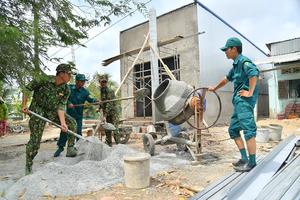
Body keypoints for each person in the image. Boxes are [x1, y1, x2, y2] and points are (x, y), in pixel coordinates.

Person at [209, 37, 259, 172]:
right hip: (238, 102)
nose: (225, 52)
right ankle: (244, 158)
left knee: (249, 131)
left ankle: (252, 162)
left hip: (244, 102)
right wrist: (214, 88)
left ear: (234, 49)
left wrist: (250, 92)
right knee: (233, 130)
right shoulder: (236, 65)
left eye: (227, 49)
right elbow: (226, 79)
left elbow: (254, 74)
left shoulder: (244, 62)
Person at [22, 63, 78, 175]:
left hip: (52, 111)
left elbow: (61, 106)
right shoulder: (43, 80)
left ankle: (71, 148)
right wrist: (23, 105)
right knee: (35, 142)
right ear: (62, 74)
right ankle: (28, 165)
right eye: (69, 74)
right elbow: (27, 89)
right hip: (38, 110)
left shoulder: (66, 89)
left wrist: (63, 123)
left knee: (71, 123)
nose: (71, 77)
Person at [54, 73, 96, 157]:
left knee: (78, 132)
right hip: (68, 115)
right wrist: (68, 103)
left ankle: (78, 148)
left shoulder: (85, 92)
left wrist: (95, 100)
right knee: (65, 131)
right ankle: (60, 147)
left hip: (78, 116)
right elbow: (62, 98)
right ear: (77, 81)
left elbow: (90, 99)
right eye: (81, 81)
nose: (83, 83)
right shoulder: (69, 88)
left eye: (84, 81)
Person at [98, 74, 119, 147]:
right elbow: (102, 101)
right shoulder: (101, 90)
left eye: (105, 82)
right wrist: (99, 107)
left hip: (113, 113)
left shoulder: (109, 91)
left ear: (107, 82)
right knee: (107, 128)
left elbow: (109, 104)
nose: (103, 83)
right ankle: (108, 142)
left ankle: (119, 144)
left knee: (115, 128)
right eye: (102, 82)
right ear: (100, 82)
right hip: (106, 113)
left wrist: (104, 115)